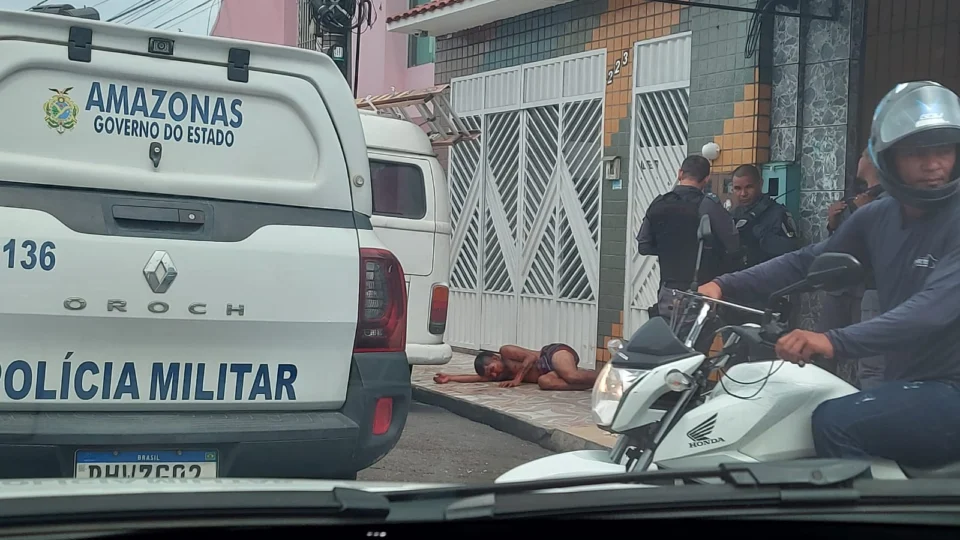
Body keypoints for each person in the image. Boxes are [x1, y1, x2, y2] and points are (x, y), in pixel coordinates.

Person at [697, 80, 960, 468]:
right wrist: (723, 284)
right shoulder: (878, 217)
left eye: (944, 150)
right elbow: (809, 261)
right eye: (917, 152)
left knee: (834, 422)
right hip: (910, 384)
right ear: (889, 158)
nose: (934, 164)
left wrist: (831, 340)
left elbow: (931, 311)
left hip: (949, 388)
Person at [636, 154, 739, 321]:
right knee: (698, 337)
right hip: (702, 291)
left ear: (680, 173)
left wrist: (669, 248)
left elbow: (644, 246)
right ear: (706, 179)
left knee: (668, 335)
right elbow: (733, 244)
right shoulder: (708, 205)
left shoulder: (659, 204)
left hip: (668, 291)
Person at [818, 150, 886, 387]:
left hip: (866, 291)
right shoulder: (854, 197)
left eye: (862, 156)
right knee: (823, 350)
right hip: (839, 288)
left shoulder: (887, 199)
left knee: (867, 359)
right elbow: (838, 243)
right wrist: (832, 222)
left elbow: (872, 242)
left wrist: (861, 211)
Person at [433, 344, 598, 391]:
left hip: (552, 354)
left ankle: (608, 375)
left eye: (492, 369)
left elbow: (531, 357)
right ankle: (592, 383)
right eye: (491, 375)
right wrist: (450, 377)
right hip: (549, 372)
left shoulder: (506, 352)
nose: (494, 374)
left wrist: (518, 379)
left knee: (571, 376)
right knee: (544, 382)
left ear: (495, 358)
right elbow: (476, 378)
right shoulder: (501, 375)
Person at [731, 163, 801, 269]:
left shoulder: (778, 213)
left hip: (769, 273)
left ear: (760, 184)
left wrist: (764, 236)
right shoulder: (733, 215)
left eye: (749, 187)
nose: (743, 193)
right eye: (737, 188)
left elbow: (793, 249)